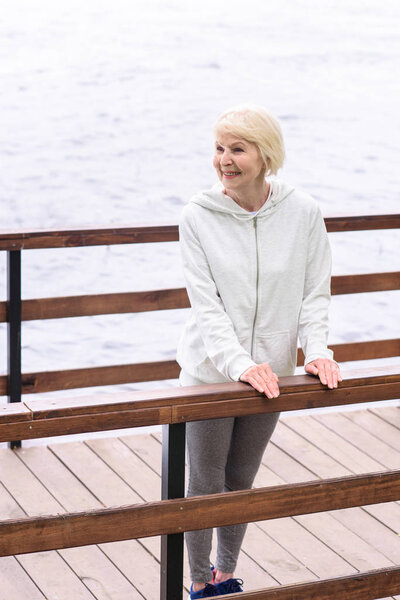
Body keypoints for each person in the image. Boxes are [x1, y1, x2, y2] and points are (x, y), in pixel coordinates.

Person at [176, 104, 341, 599]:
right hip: (213, 373)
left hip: (273, 371)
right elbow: (208, 311)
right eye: (219, 148)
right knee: (205, 485)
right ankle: (198, 585)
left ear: (265, 155)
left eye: (237, 149)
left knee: (240, 479)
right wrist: (240, 365)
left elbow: (315, 293)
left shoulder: (304, 213)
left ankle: (226, 578)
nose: (223, 160)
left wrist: (316, 350)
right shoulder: (197, 217)